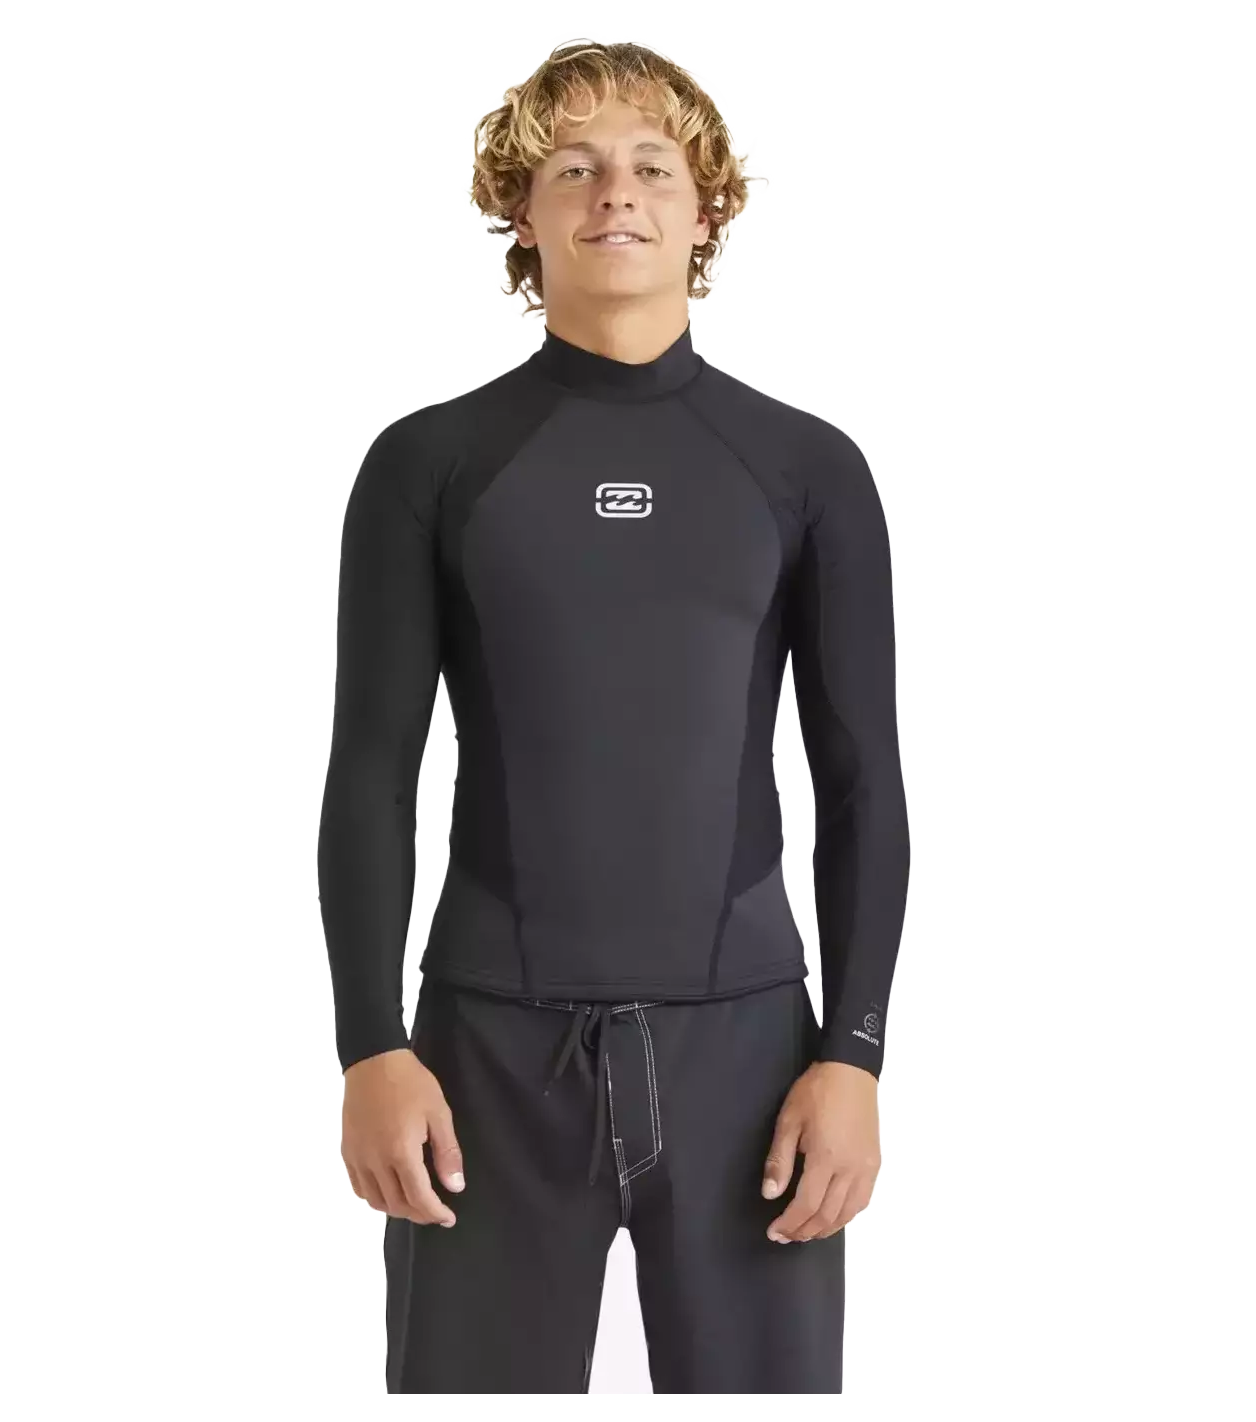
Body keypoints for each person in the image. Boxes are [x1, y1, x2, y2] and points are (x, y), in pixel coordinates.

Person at [316, 36, 911, 1400]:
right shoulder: (430, 463)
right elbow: (371, 770)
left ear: (706, 211)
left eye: (652, 166)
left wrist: (852, 1055)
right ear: (520, 214)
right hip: (485, 1058)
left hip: (749, 1057)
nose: (614, 193)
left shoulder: (804, 467)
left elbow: (862, 778)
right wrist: (371, 1045)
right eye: (572, 169)